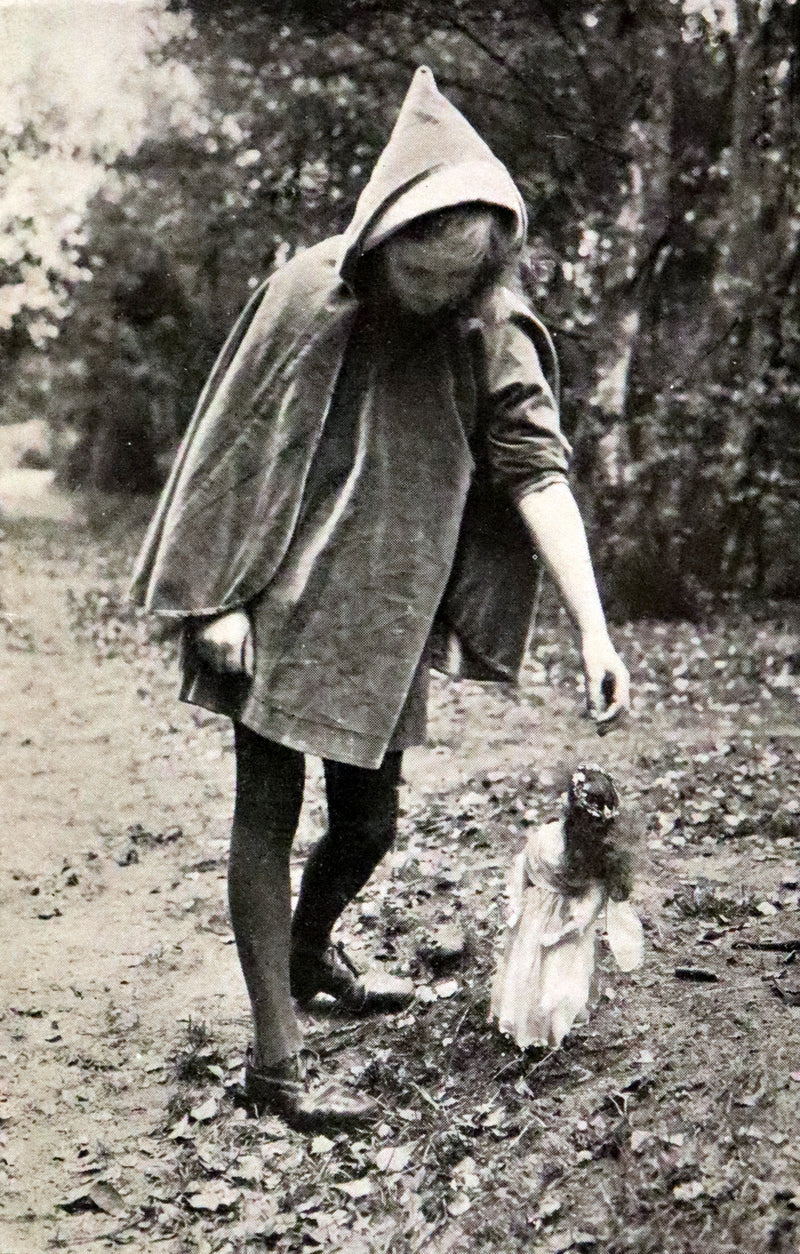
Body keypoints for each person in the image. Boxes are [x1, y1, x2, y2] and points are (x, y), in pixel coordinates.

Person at [130, 66, 630, 1132]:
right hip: (267, 601)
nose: (433, 300)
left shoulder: (489, 324)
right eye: (418, 277)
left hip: (387, 610)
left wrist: (591, 628)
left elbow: (536, 472)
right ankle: (275, 1062)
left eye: (456, 283)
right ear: (383, 240)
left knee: (368, 822)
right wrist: (214, 597)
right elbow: (233, 451)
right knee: (264, 815)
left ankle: (309, 956)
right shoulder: (309, 292)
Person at [489, 766, 643, 1051]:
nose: (561, 798)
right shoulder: (549, 837)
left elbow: (589, 906)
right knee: (531, 972)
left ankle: (548, 1035)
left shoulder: (589, 857)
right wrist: (516, 897)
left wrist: (568, 928)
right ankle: (530, 1030)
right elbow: (522, 863)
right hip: (536, 914)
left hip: (556, 921)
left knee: (555, 981)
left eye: (567, 796)